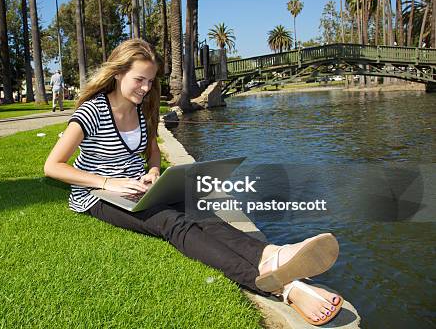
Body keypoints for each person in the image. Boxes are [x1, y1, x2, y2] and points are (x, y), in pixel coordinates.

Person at [44, 39, 344, 326]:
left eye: (150, 81)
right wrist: (108, 183)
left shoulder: (140, 108)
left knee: (201, 211)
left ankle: (269, 254)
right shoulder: (91, 111)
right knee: (171, 223)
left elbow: (153, 149)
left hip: (139, 186)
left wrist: (152, 170)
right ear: (118, 72)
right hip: (99, 196)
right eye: (139, 80)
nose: (146, 88)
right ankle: (279, 287)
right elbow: (53, 166)